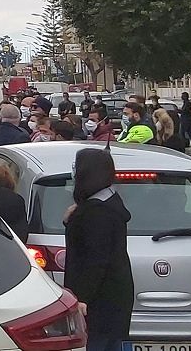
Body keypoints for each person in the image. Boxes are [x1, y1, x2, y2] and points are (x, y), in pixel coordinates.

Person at [64, 148, 133, 351]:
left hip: (99, 301)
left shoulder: (96, 212)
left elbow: (96, 259)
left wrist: (82, 296)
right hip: (115, 297)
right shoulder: (107, 201)